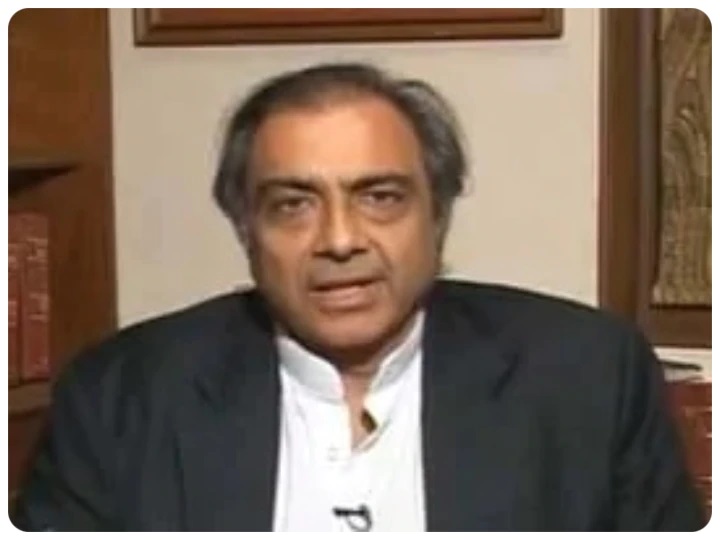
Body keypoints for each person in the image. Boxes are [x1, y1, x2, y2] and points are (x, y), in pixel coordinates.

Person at [12, 62, 705, 531]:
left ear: (437, 216)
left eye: (380, 197)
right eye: (293, 205)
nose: (340, 240)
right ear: (245, 229)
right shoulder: (119, 396)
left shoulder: (589, 375)